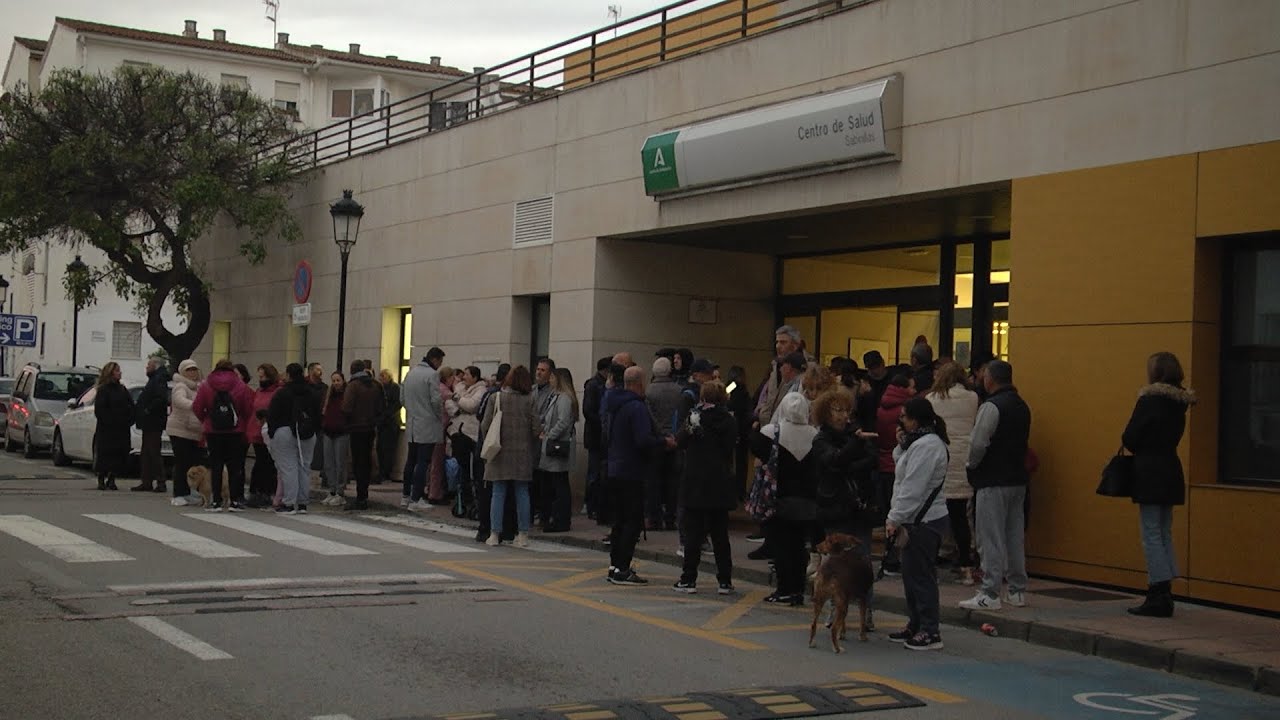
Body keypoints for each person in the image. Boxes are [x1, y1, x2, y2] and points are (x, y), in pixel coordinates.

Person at [1121, 352, 1196, 618]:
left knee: (1150, 532)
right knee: (1164, 531)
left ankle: (1158, 592)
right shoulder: (1180, 403)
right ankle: (1166, 590)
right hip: (1170, 469)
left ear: (1156, 372)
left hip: (1150, 470)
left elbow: (1130, 437)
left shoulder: (1150, 400)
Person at [961, 360, 1032, 611]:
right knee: (1014, 535)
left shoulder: (992, 406)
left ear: (990, 379)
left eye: (984, 375)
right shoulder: (1022, 405)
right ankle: (1016, 590)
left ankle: (990, 592)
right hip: (1017, 479)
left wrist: (971, 466)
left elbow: (978, 443)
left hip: (992, 478)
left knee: (990, 536)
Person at [810, 387, 880, 624]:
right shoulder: (821, 439)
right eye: (836, 410)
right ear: (826, 414)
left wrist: (850, 455)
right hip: (835, 507)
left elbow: (870, 460)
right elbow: (832, 460)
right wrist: (852, 449)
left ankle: (866, 610)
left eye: (845, 410)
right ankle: (834, 608)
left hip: (859, 506)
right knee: (835, 563)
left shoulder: (858, 433)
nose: (842, 415)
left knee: (863, 561)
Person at [886, 396, 951, 651]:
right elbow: (903, 470)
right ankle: (916, 623)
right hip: (916, 518)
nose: (900, 420)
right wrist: (901, 445)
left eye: (904, 416)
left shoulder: (928, 446)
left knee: (921, 577)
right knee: (911, 576)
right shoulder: (918, 443)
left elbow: (913, 486)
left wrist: (895, 517)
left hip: (924, 520)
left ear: (914, 419)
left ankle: (930, 630)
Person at [606, 366, 673, 585]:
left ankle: (615, 565)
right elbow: (643, 440)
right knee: (632, 522)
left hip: (615, 467)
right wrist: (664, 442)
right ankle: (623, 568)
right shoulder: (636, 407)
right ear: (638, 383)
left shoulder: (614, 403)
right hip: (632, 470)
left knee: (619, 521)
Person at [673, 381, 738, 594]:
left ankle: (688, 579)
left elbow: (680, 441)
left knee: (694, 534)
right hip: (719, 482)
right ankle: (725, 581)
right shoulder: (729, 420)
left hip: (695, 482)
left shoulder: (695, 417)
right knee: (720, 535)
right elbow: (730, 447)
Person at [751, 393, 817, 604]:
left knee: (781, 547)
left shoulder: (770, 433)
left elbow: (756, 449)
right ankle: (798, 589)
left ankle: (784, 588)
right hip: (807, 501)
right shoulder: (815, 435)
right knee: (799, 547)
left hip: (779, 499)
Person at [926, 362, 980, 584]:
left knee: (933, 514)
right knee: (959, 517)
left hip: (941, 458)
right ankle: (966, 563)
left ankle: (932, 558)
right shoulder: (973, 398)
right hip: (964, 460)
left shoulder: (932, 399)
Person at [480, 365, 542, 548]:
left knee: (498, 492)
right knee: (522, 492)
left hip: (499, 451)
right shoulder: (530, 400)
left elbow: (485, 425)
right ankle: (522, 534)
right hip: (523, 452)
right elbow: (536, 428)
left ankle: (494, 534)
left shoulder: (496, 398)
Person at [192, 359, 254, 511]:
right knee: (235, 467)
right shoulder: (240, 385)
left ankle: (216, 501)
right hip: (235, 431)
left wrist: (206, 420)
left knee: (216, 466)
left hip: (213, 431)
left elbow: (197, 407)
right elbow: (248, 409)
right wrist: (241, 422)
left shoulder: (206, 384)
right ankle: (234, 501)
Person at [266, 363, 322, 515]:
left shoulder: (283, 392)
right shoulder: (312, 392)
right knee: (304, 467)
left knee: (288, 467)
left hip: (285, 430)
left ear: (289, 375)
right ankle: (303, 503)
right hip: (308, 432)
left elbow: (272, 414)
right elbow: (318, 415)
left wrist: (272, 432)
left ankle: (289, 502)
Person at [874, 374, 914, 572]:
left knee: (888, 513)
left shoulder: (882, 408)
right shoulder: (903, 411)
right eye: (912, 386)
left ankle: (888, 557)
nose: (914, 390)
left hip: (883, 463)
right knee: (899, 514)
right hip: (897, 464)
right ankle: (893, 558)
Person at [474, 364, 514, 542]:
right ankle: (505, 528)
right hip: (507, 449)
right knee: (504, 490)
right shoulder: (514, 396)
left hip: (489, 447)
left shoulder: (491, 394)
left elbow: (481, 419)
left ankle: (486, 528)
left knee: (488, 489)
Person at [402, 348, 445, 511]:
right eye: (440, 362)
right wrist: (439, 415)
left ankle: (405, 496)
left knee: (410, 460)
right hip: (427, 423)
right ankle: (416, 498)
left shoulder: (411, 373)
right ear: (435, 359)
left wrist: (411, 411)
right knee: (423, 462)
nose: (440, 365)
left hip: (412, 423)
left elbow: (402, 397)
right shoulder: (432, 375)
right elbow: (435, 400)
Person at [645, 357, 684, 531]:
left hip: (657, 440)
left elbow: (649, 417)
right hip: (675, 439)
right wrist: (674, 437)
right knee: (672, 481)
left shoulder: (649, 391)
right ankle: (671, 516)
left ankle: (655, 517)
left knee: (654, 481)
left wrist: (661, 435)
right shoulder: (679, 390)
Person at [538, 367, 578, 532]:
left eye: (553, 377)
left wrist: (548, 436)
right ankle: (556, 517)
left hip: (557, 445)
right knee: (555, 483)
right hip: (553, 443)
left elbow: (563, 422)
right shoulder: (556, 397)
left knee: (559, 483)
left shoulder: (563, 399)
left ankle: (561, 519)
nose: (550, 380)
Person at [343, 359, 385, 511]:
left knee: (358, 463)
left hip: (356, 428)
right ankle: (364, 495)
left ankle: (360, 497)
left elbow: (346, 407)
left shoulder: (353, 386)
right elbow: (382, 407)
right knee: (366, 461)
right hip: (370, 428)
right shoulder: (376, 385)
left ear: (352, 370)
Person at [449, 366, 488, 515]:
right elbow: (450, 403)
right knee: (461, 469)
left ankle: (475, 501)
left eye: (466, 374)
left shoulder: (481, 390)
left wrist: (459, 399)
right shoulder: (459, 387)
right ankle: (464, 499)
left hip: (472, 434)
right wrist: (460, 404)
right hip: (458, 432)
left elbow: (472, 406)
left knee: (474, 470)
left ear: (474, 377)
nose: (463, 377)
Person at [167, 360, 205, 505]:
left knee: (192, 463)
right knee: (182, 462)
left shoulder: (198, 387)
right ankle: (178, 494)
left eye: (195, 369)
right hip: (180, 429)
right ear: (183, 372)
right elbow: (179, 401)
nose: (193, 372)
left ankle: (189, 491)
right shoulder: (181, 386)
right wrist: (197, 406)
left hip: (194, 430)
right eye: (189, 370)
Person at [132, 356, 171, 493]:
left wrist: (147, 409)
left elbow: (161, 398)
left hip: (153, 422)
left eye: (148, 365)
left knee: (153, 452)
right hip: (149, 422)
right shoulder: (155, 379)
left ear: (155, 365)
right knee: (146, 453)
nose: (146, 368)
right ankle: (146, 481)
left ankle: (160, 482)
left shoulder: (158, 379)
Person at [92, 362, 134, 492]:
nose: (120, 373)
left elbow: (130, 406)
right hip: (107, 429)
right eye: (117, 371)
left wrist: (129, 419)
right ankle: (101, 478)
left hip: (121, 428)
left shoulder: (122, 389)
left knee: (119, 454)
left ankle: (112, 478)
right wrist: (110, 421)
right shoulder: (104, 390)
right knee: (105, 454)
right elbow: (100, 410)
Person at [246, 364, 282, 508]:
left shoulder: (277, 391)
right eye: (259, 377)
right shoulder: (259, 391)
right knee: (260, 462)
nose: (261, 379)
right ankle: (257, 492)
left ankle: (267, 491)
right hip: (257, 432)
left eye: (263, 376)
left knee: (268, 464)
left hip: (270, 432)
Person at [582, 357, 611, 519]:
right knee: (594, 472)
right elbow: (588, 410)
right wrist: (602, 422)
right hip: (595, 435)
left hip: (599, 435)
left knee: (599, 472)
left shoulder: (600, 385)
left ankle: (596, 503)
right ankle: (590, 503)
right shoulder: (594, 385)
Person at [320, 372, 350, 506]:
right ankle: (332, 490)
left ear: (343, 381)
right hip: (328, 431)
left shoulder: (346, 395)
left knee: (340, 463)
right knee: (329, 463)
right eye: (333, 380)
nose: (336, 383)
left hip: (341, 432)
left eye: (338, 380)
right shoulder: (329, 395)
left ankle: (340, 491)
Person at [725, 365, 755, 498]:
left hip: (731, 426)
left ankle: (730, 489)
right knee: (742, 462)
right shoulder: (743, 390)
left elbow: (726, 399)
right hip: (742, 428)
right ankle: (740, 490)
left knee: (729, 460)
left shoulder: (729, 387)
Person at [375, 369, 402, 485]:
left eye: (383, 377)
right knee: (380, 448)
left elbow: (397, 404)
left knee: (389, 448)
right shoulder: (379, 388)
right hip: (382, 422)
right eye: (380, 377)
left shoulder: (395, 388)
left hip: (391, 422)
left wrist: (386, 415)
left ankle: (386, 472)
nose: (381, 379)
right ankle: (381, 471)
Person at [306, 362, 328, 488]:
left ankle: (317, 477)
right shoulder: (305, 387)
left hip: (320, 424)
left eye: (321, 369)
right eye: (317, 370)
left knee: (318, 452)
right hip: (308, 423)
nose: (320, 372)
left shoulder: (324, 387)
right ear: (310, 371)